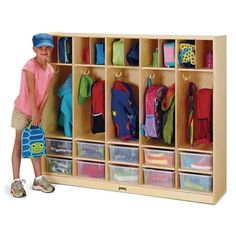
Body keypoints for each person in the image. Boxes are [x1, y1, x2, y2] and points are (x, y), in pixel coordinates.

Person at [11, 33, 55, 198]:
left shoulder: (50, 70)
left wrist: (40, 113)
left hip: (36, 113)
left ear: (51, 49)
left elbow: (46, 94)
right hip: (23, 111)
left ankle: (38, 179)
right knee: (19, 143)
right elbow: (30, 91)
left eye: (47, 47)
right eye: (41, 47)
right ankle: (16, 181)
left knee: (36, 145)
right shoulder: (30, 66)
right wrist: (34, 114)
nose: (44, 50)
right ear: (34, 49)